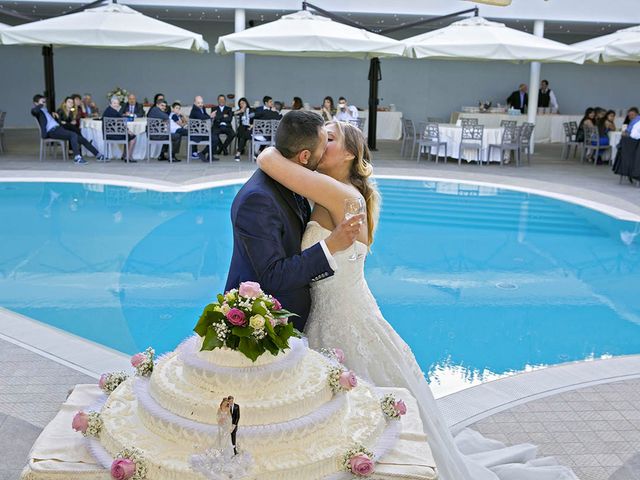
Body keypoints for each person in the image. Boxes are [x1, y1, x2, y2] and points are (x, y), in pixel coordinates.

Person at [255, 120, 580, 480]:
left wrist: (271, 148)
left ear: (348, 154)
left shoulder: (343, 196)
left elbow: (270, 160)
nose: (320, 141)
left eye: (329, 138)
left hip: (347, 319)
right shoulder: (328, 191)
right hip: (329, 315)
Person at [225, 110, 364, 331]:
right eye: (324, 143)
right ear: (305, 156)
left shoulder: (297, 180)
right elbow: (272, 276)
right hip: (264, 323)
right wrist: (330, 245)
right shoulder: (259, 200)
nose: (326, 149)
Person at [31, 94, 103, 164]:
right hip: (52, 131)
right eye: (42, 102)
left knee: (81, 138)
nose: (44, 103)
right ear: (36, 103)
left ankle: (98, 155)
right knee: (73, 134)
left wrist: (56, 117)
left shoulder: (45, 110)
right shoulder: (38, 112)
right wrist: (40, 105)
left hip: (59, 128)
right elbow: (34, 111)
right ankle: (77, 157)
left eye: (45, 102)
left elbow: (55, 121)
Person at [102, 96, 138, 162]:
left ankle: (124, 155)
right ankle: (128, 157)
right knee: (133, 137)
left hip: (107, 134)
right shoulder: (115, 113)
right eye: (114, 103)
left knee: (128, 136)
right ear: (110, 104)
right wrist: (128, 131)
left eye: (117, 103)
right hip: (114, 134)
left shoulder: (107, 110)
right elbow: (121, 124)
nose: (116, 105)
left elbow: (118, 124)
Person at [189, 96, 219, 162]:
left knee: (215, 138)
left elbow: (206, 117)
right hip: (196, 134)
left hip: (202, 131)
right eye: (198, 103)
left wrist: (211, 117)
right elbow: (202, 117)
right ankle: (203, 153)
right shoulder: (195, 110)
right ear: (194, 103)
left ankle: (209, 156)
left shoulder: (203, 108)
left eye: (201, 103)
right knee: (215, 139)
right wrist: (210, 116)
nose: (200, 104)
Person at [234, 97, 253, 161]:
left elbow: (256, 118)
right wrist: (240, 111)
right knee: (243, 130)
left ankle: (238, 152)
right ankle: (242, 150)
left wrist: (252, 125)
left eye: (243, 103)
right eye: (240, 104)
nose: (242, 105)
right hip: (242, 127)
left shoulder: (251, 110)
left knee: (244, 134)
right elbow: (232, 114)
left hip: (250, 127)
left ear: (246, 103)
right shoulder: (239, 111)